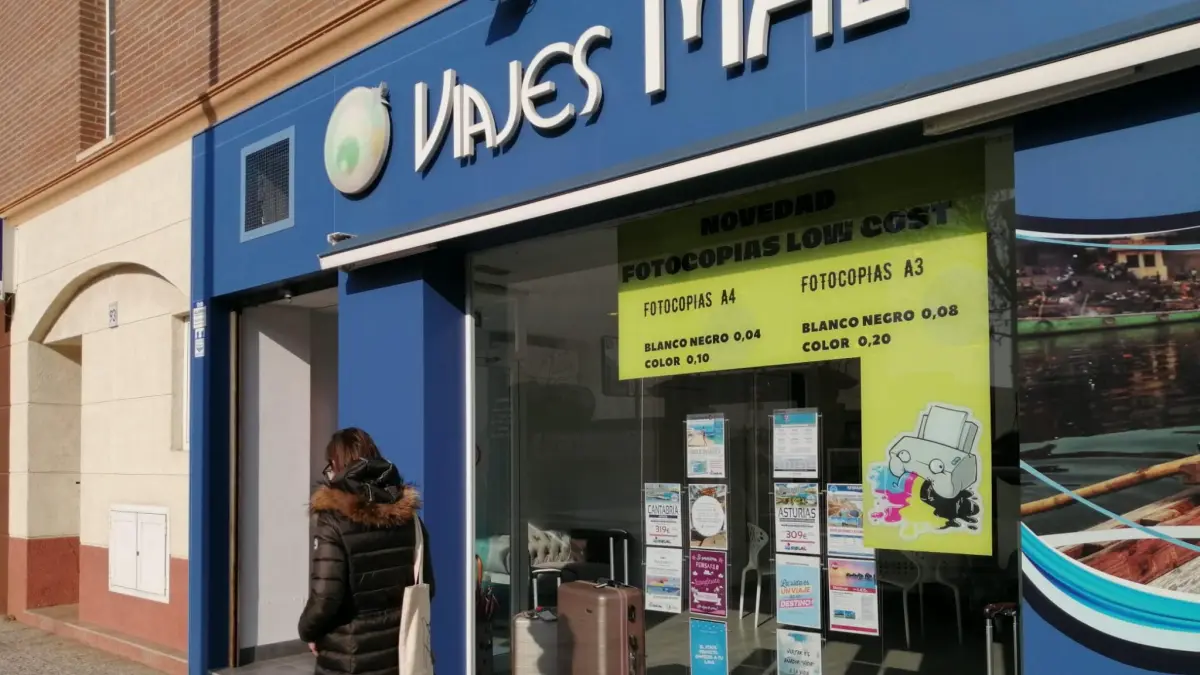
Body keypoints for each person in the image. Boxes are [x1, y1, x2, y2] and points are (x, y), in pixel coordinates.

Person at [298, 428, 435, 675]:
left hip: (348, 658)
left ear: (337, 465)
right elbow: (428, 586)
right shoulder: (409, 518)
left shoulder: (333, 520)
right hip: (398, 657)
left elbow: (325, 597)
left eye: (330, 467)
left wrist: (307, 631)